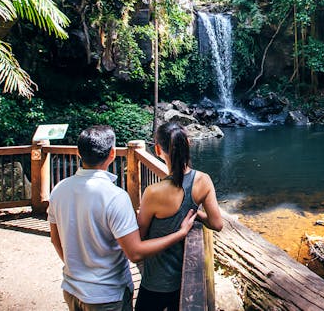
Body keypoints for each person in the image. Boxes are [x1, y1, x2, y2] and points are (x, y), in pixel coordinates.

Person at [48, 125, 196, 311]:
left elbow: (55, 239)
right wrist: (180, 233)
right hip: (108, 295)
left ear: (79, 153)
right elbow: (134, 253)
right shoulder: (116, 197)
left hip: (71, 290)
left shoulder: (59, 189)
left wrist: (77, 271)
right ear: (112, 154)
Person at [135, 122, 223, 311]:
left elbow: (139, 237)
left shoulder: (152, 192)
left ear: (158, 149)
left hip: (155, 282)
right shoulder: (203, 180)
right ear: (188, 143)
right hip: (185, 278)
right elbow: (217, 224)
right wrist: (194, 211)